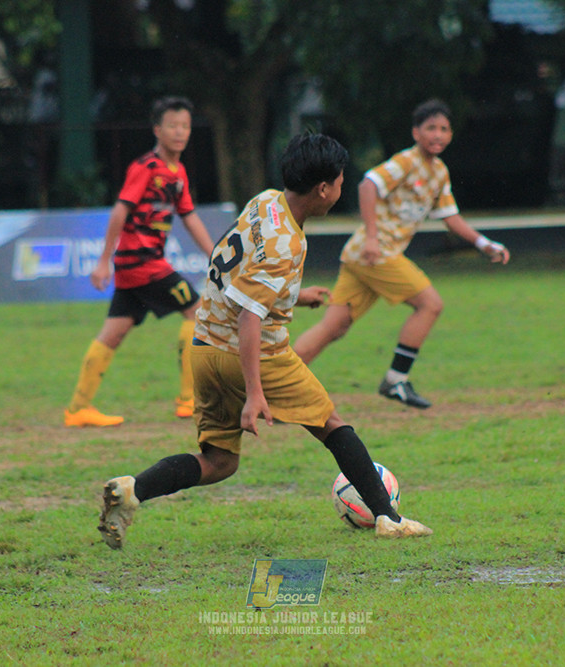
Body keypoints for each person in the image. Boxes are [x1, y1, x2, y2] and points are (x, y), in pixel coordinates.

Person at [98, 133, 433, 547]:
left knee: (220, 462)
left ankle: (133, 491)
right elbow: (250, 316)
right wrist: (255, 392)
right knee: (331, 424)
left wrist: (295, 295)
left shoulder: (265, 201)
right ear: (323, 188)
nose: (342, 188)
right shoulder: (287, 244)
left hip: (204, 349)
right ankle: (388, 516)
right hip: (254, 353)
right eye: (340, 181)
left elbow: (246, 273)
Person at [292, 99, 510, 409]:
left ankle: (275, 388)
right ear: (416, 132)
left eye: (444, 129)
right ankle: (396, 381)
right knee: (430, 304)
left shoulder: (439, 172)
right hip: (376, 253)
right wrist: (371, 237)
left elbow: (451, 217)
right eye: (431, 128)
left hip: (361, 256)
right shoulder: (406, 162)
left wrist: (484, 243)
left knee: (334, 326)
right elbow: (368, 185)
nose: (438, 134)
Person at [64, 96, 214, 427]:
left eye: (186, 126)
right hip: (143, 262)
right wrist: (103, 261)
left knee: (112, 333)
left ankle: (78, 409)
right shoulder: (145, 168)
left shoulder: (179, 173)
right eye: (173, 126)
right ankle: (188, 401)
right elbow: (120, 210)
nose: (180, 132)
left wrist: (215, 254)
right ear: (157, 130)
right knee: (198, 310)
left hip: (137, 267)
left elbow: (189, 217)